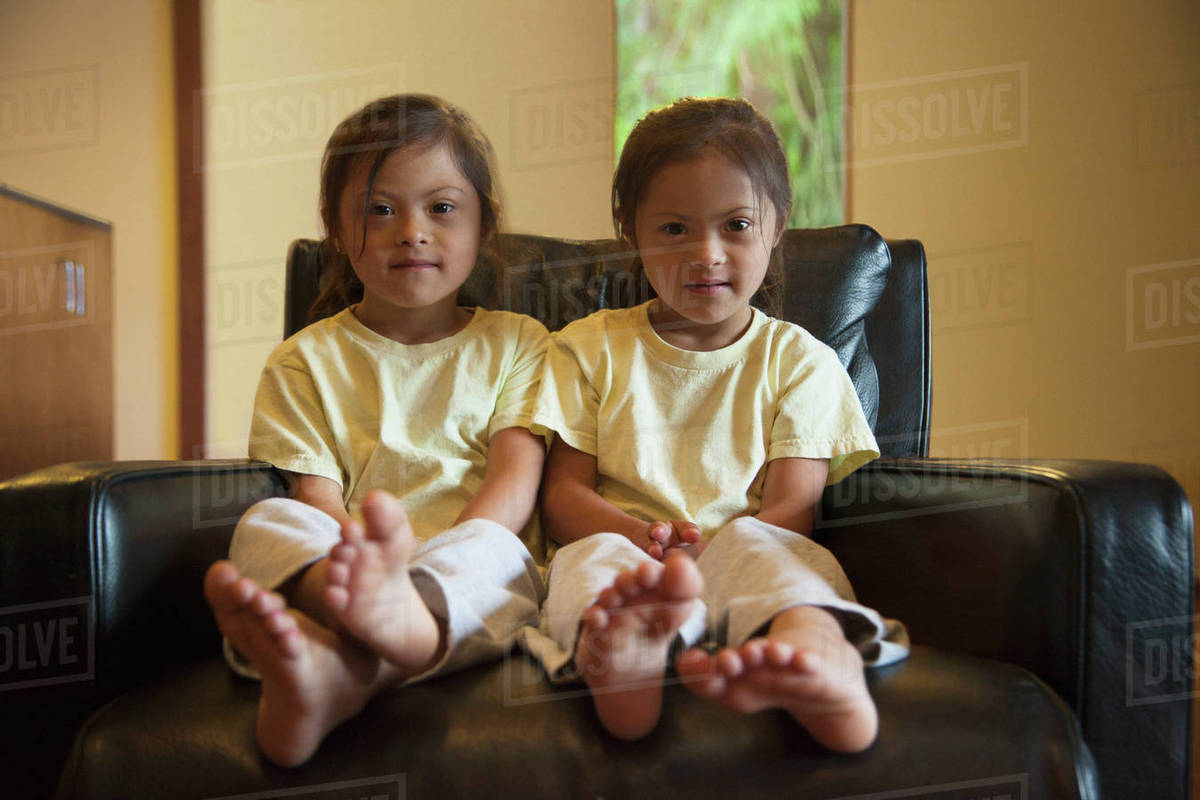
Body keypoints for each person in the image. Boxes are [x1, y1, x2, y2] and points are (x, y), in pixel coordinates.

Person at [523, 97, 908, 748]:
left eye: (736, 225)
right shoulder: (586, 348)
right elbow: (563, 498)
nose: (707, 254)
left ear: (777, 223)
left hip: (742, 548)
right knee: (588, 560)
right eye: (675, 229)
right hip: (628, 552)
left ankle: (815, 652)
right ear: (628, 229)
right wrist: (647, 543)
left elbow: (790, 511)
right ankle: (623, 657)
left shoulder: (800, 362)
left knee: (775, 553)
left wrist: (708, 555)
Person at [203, 94, 547, 767]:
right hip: (355, 563)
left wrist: (422, 568)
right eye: (379, 210)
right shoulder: (303, 361)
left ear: (483, 224)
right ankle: (356, 621)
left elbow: (514, 484)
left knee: (496, 551)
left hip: (471, 568)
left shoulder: (520, 343)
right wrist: (365, 568)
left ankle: (340, 662)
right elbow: (317, 502)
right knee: (268, 521)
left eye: (441, 207)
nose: (411, 231)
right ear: (335, 228)